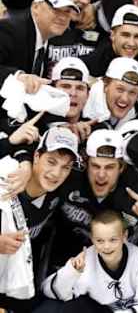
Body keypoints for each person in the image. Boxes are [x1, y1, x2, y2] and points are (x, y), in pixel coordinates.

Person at [51, 129, 138, 268]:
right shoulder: (68, 176)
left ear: (121, 167)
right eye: (95, 166)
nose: (101, 175)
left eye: (109, 167)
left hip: (124, 271)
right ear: (86, 163)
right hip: (70, 264)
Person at [0, 126, 80, 312]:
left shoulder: (61, 193)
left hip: (15, 282)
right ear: (36, 157)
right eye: (51, 162)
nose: (56, 173)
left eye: (65, 167)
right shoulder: (6, 176)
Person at [41, 210, 138, 312]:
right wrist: (71, 272)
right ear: (92, 239)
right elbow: (50, 292)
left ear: (124, 236)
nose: (106, 246)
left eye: (113, 240)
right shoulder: (86, 261)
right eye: (100, 240)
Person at [80, 4, 138, 105]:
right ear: (112, 35)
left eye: (137, 36)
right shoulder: (90, 64)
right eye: (125, 35)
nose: (131, 43)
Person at [0, 0, 80, 91]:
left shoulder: (49, 39)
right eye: (55, 10)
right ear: (35, 7)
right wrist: (18, 77)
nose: (62, 17)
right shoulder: (8, 30)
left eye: (67, 12)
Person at [82, 56, 138, 130]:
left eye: (132, 92)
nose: (125, 99)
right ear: (105, 86)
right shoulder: (78, 107)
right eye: (120, 89)